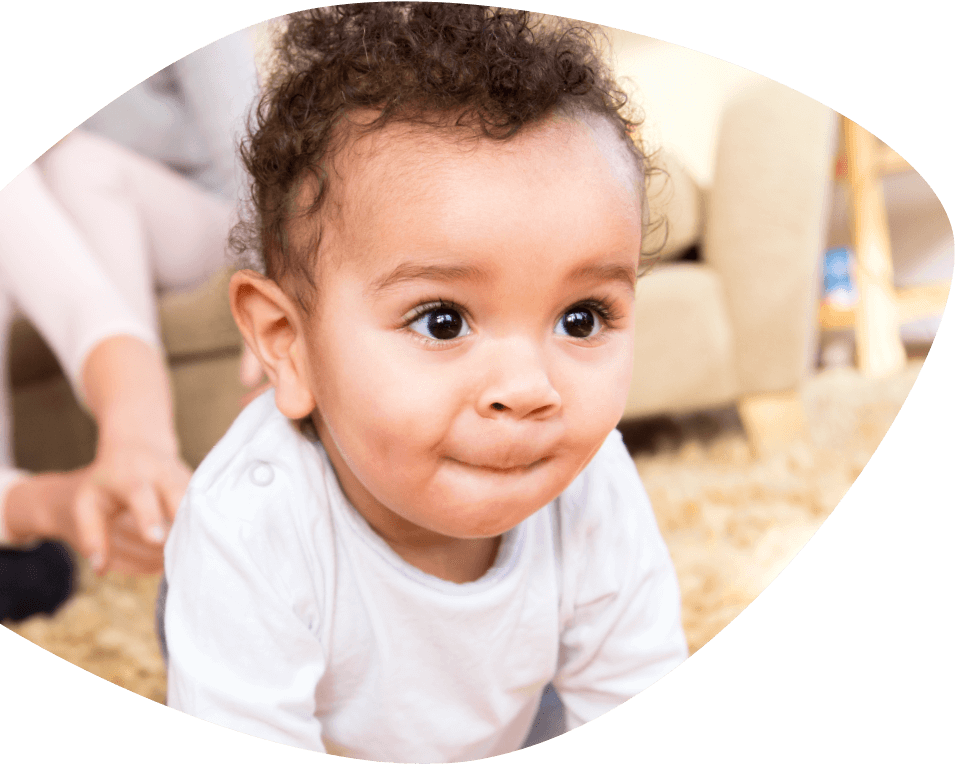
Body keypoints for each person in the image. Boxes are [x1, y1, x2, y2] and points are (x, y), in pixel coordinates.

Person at [162, 6, 688, 758]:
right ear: (289, 344)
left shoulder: (593, 483)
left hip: (508, 710)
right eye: (442, 320)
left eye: (581, 318)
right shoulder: (250, 527)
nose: (528, 388)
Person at [0, 28, 262, 621]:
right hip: (63, 226)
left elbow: (251, 152)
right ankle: (127, 472)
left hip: (197, 215)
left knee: (81, 163)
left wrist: (285, 291)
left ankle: (140, 455)